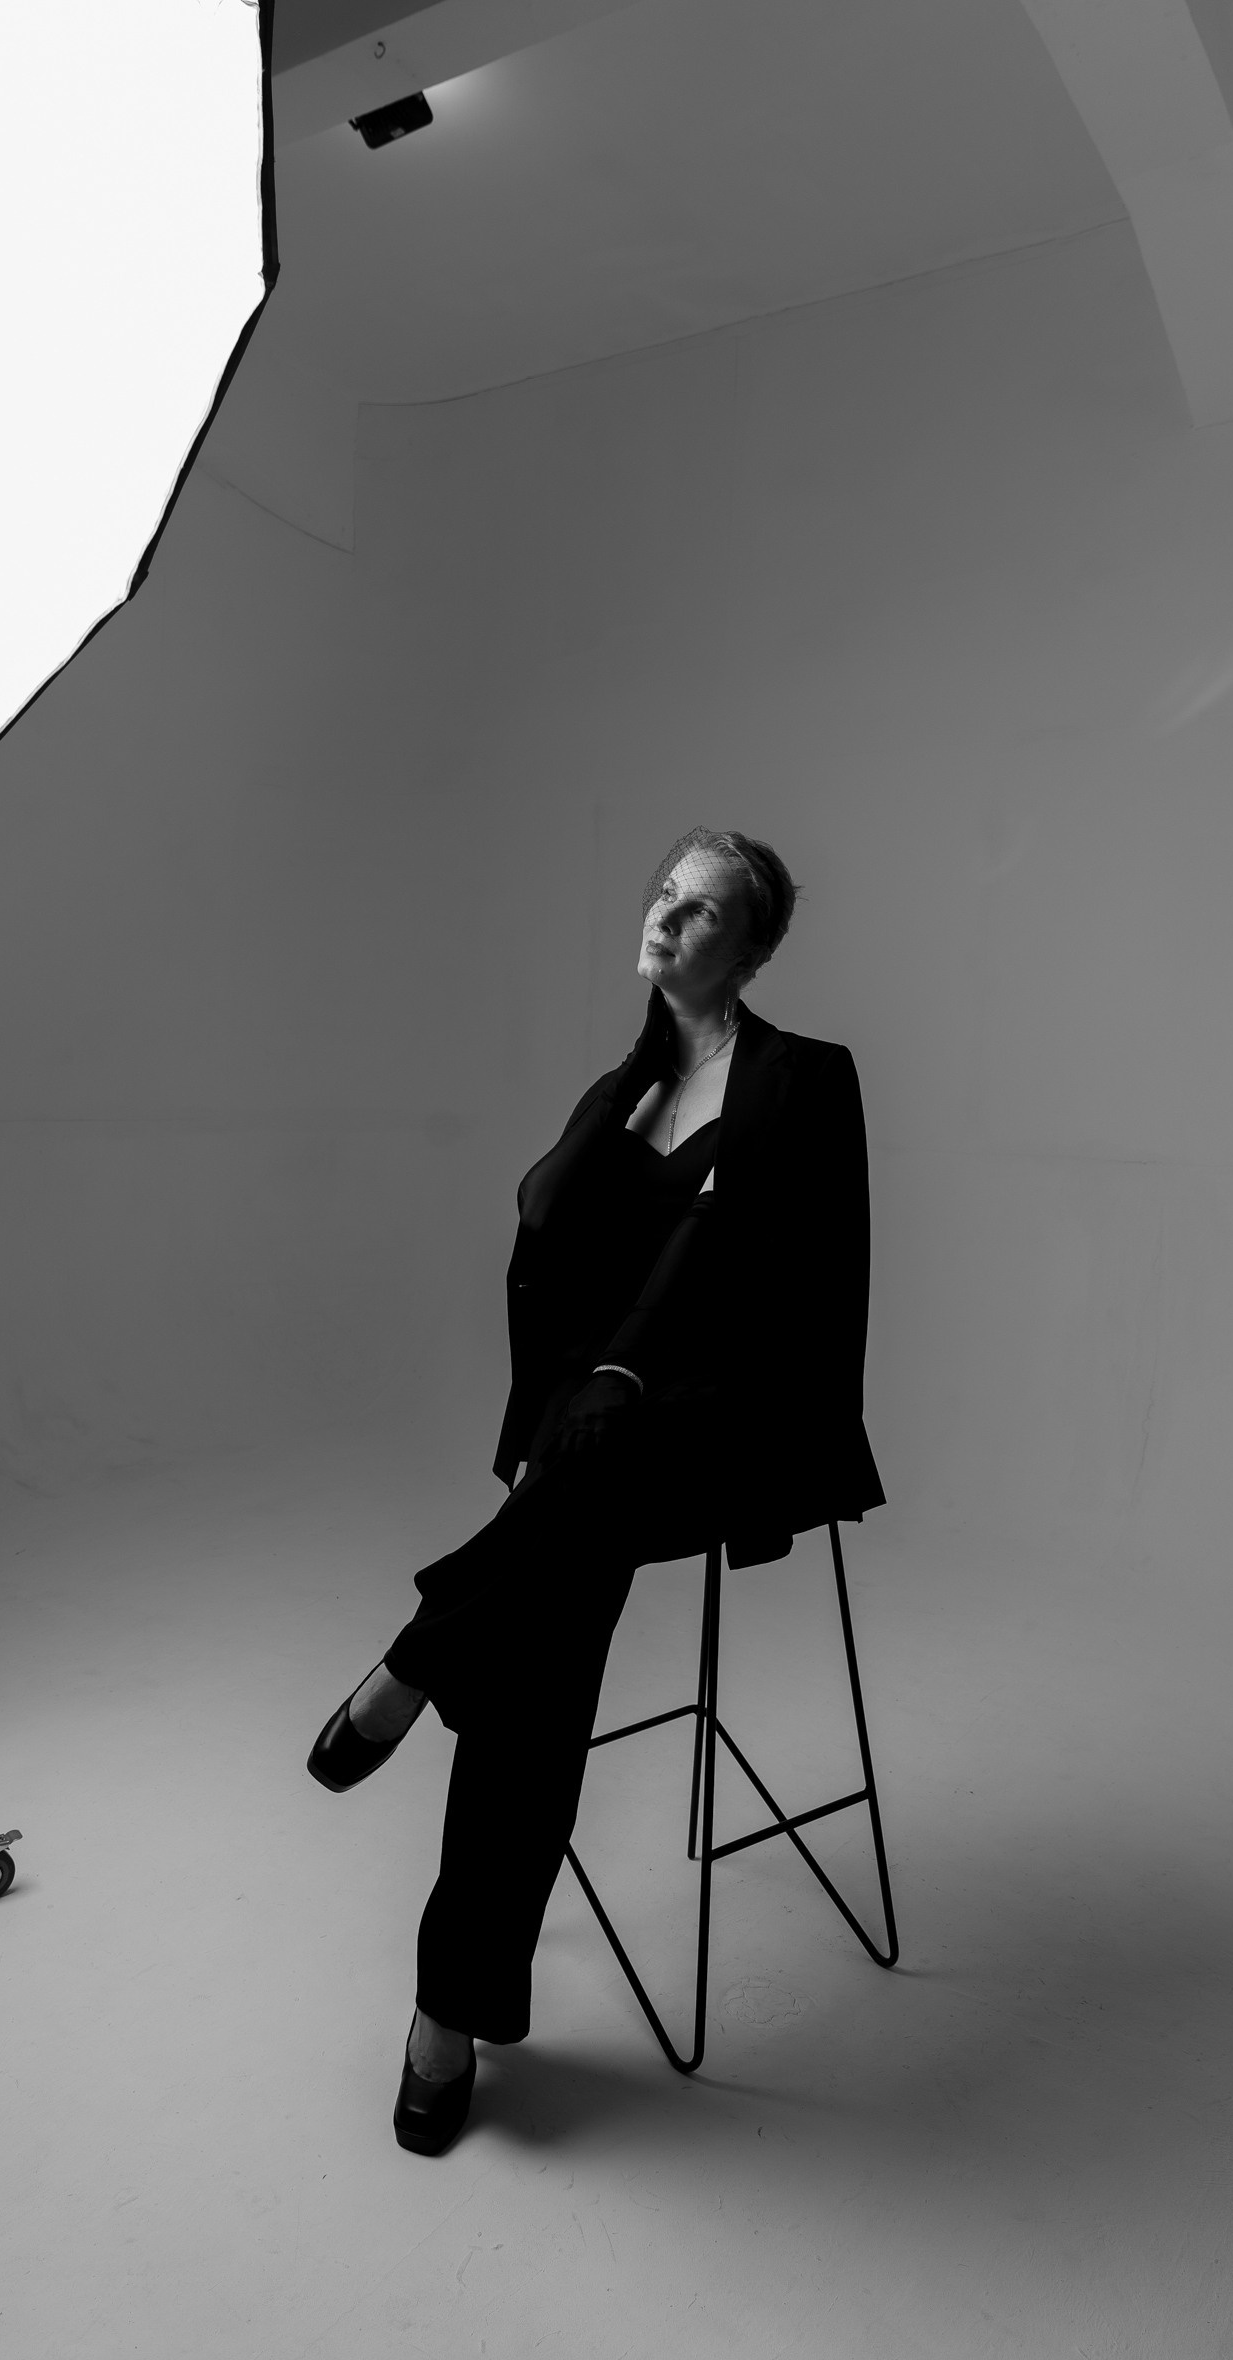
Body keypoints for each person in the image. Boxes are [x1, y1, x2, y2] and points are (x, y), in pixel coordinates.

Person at [307, 826, 885, 2155]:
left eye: (703, 911)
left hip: (726, 1426)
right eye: (664, 896)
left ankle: (416, 1659)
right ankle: (450, 2007)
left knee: (568, 1511)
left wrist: (632, 1371)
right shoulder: (620, 1091)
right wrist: (619, 1117)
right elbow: (546, 1246)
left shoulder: (804, 1078)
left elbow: (787, 1272)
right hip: (589, 1449)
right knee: (537, 1646)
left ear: (753, 949)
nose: (667, 920)